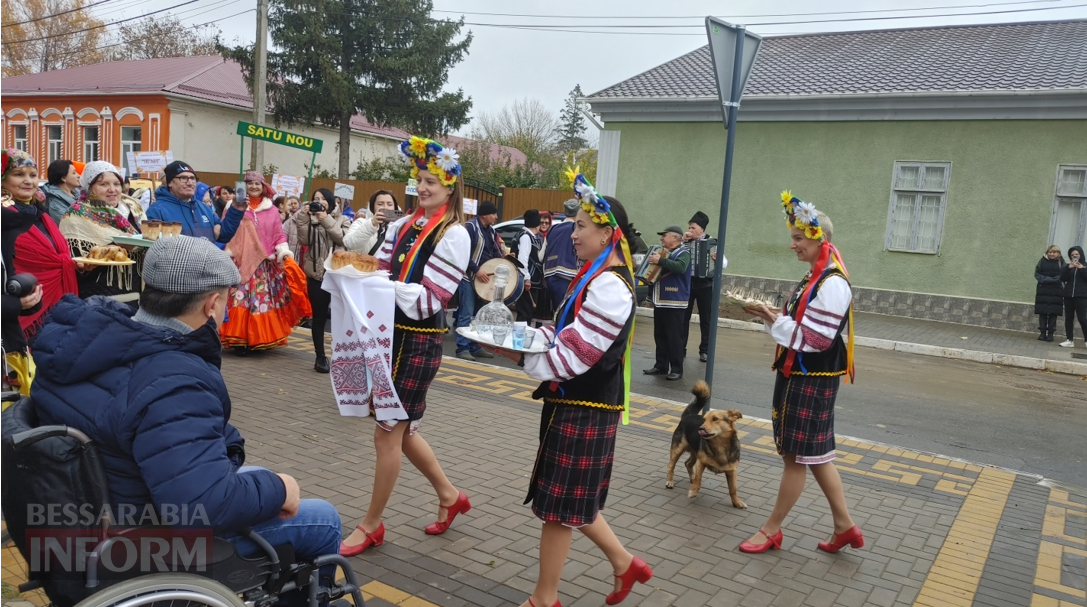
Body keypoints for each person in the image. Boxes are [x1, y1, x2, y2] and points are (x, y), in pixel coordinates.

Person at [30, 236, 341, 606]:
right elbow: (204, 508)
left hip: (82, 522)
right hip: (140, 540)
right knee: (323, 518)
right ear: (211, 304)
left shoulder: (78, 343)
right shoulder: (175, 379)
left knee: (252, 475)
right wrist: (280, 488)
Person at [488, 173, 652, 607]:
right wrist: (524, 336)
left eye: (580, 225)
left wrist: (514, 352)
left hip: (586, 406)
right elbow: (567, 339)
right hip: (577, 405)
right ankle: (623, 563)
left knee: (559, 508)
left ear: (606, 233)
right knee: (568, 499)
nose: (572, 233)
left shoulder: (610, 286)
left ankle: (545, 597)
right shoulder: (596, 277)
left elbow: (573, 359)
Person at [338, 136, 471, 556]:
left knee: (387, 433)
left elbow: (433, 299)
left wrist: (379, 284)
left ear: (451, 187)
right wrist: (354, 270)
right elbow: (379, 264)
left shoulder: (455, 234)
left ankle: (372, 524)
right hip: (390, 336)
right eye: (420, 180)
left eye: (432, 180)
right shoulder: (404, 224)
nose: (424, 187)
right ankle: (450, 496)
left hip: (419, 340)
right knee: (401, 428)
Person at [738, 191, 863, 556]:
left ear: (817, 238)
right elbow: (804, 327)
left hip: (811, 377)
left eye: (798, 238)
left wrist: (773, 320)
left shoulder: (832, 282)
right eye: (792, 237)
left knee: (795, 457)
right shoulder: (818, 276)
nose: (792, 245)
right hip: (808, 377)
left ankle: (771, 529)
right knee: (816, 456)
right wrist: (770, 315)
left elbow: (816, 340)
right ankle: (845, 526)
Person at [0, 149, 78, 351]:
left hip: (54, 309)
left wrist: (75, 265)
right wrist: (13, 304)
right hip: (18, 318)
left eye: (33, 175)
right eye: (18, 174)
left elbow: (53, 257)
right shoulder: (5, 219)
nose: (29, 181)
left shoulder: (39, 213)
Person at [219, 172, 302, 352]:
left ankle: (256, 337)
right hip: (238, 262)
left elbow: (278, 234)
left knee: (259, 300)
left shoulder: (271, 210)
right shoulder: (232, 206)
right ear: (244, 186)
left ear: (264, 187)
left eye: (258, 183)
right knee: (237, 299)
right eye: (250, 183)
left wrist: (284, 252)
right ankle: (239, 339)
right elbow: (225, 229)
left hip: (262, 264)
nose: (254, 187)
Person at [60, 161, 144, 303]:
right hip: (101, 293)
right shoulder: (76, 214)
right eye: (103, 184)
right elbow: (75, 265)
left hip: (138, 290)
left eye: (116, 184)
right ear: (89, 187)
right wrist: (115, 245)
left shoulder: (133, 207)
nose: (112, 189)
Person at [294, 187, 351, 372]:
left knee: (340, 317)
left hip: (337, 275)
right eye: (315, 198)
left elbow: (343, 239)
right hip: (316, 274)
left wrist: (325, 219)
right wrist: (303, 219)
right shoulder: (309, 219)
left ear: (331, 201)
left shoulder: (344, 220)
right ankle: (320, 357)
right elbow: (304, 241)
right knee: (318, 318)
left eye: (323, 199)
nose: (319, 202)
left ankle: (342, 356)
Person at [146, 161, 245, 244]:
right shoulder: (156, 210)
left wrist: (236, 210)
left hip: (208, 266)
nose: (190, 183)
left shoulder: (204, 208)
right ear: (170, 183)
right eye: (183, 178)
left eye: (193, 178)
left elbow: (224, 236)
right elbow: (153, 248)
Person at [452, 200, 502, 361]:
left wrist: (504, 262)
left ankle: (475, 346)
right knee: (466, 314)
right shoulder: (470, 227)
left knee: (479, 315)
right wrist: (476, 269)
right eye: (493, 214)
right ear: (485, 215)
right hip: (469, 277)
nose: (496, 216)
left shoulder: (491, 231)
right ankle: (462, 348)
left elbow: (494, 251)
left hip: (484, 280)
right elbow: (462, 253)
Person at [643, 225, 691, 381]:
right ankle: (661, 365)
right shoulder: (664, 252)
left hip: (675, 301)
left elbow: (681, 267)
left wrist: (661, 260)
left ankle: (677, 369)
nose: (662, 238)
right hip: (661, 300)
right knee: (660, 335)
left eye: (665, 236)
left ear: (675, 238)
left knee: (674, 338)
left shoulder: (683, 253)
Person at [542, 199, 581, 322]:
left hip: (549, 275)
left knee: (556, 312)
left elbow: (540, 255)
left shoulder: (553, 229)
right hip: (567, 276)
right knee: (565, 315)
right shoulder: (575, 228)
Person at [684, 212, 715, 362]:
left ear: (701, 230)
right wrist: (683, 241)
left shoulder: (712, 242)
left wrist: (717, 259)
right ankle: (680, 349)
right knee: (684, 318)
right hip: (688, 284)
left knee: (706, 319)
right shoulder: (685, 241)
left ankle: (705, 351)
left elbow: (724, 263)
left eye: (693, 227)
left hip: (705, 285)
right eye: (689, 227)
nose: (689, 230)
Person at [343, 189, 401, 255]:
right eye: (380, 204)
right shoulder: (360, 222)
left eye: (390, 204)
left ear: (395, 208)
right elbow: (349, 243)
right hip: (365, 264)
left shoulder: (398, 228)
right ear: (372, 207)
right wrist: (372, 224)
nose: (385, 207)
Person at [513, 209, 544, 322]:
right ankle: (520, 338)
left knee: (527, 313)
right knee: (524, 314)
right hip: (528, 282)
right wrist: (526, 279)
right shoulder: (526, 237)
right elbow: (522, 259)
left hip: (530, 281)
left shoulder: (526, 235)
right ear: (537, 225)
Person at [1034, 245, 1064, 342]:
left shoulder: (1061, 262)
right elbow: (1037, 273)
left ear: (1058, 253)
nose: (1052, 254)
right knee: (1042, 312)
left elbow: (1064, 274)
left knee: (1053, 313)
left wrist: (1054, 280)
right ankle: (1042, 333)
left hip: (1056, 290)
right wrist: (1046, 279)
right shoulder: (1042, 261)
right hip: (1043, 289)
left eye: (1054, 252)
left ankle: (1050, 334)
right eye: (1050, 252)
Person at [1060, 246, 1087, 348]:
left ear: (1081, 254)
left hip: (1081, 296)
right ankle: (1069, 340)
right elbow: (1062, 278)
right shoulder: (1068, 267)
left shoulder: (1085, 266)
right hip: (1068, 296)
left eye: (1076, 254)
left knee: (1082, 319)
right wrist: (1068, 268)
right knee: (1069, 318)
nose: (1074, 256)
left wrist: (1082, 269)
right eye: (1072, 255)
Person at [40, 159, 83, 224]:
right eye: (74, 173)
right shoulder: (55, 204)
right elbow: (69, 226)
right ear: (63, 178)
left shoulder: (80, 193)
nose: (78, 175)